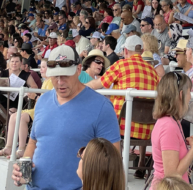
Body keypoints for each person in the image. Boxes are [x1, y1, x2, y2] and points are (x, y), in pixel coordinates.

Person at [11, 45, 120, 189]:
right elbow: (33, 142)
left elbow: (113, 160)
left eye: (66, 76)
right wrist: (22, 169)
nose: (60, 82)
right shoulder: (43, 100)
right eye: (55, 76)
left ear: (79, 69)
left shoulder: (102, 107)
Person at [86, 35, 159, 176]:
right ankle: (140, 162)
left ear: (125, 51)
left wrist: (79, 88)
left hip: (122, 129)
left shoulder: (121, 65)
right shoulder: (153, 71)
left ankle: (113, 167)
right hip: (148, 131)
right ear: (142, 50)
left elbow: (97, 84)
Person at [150, 72, 193, 189]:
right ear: (181, 95)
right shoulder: (168, 126)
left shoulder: (171, 121)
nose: (190, 96)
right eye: (189, 92)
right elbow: (172, 175)